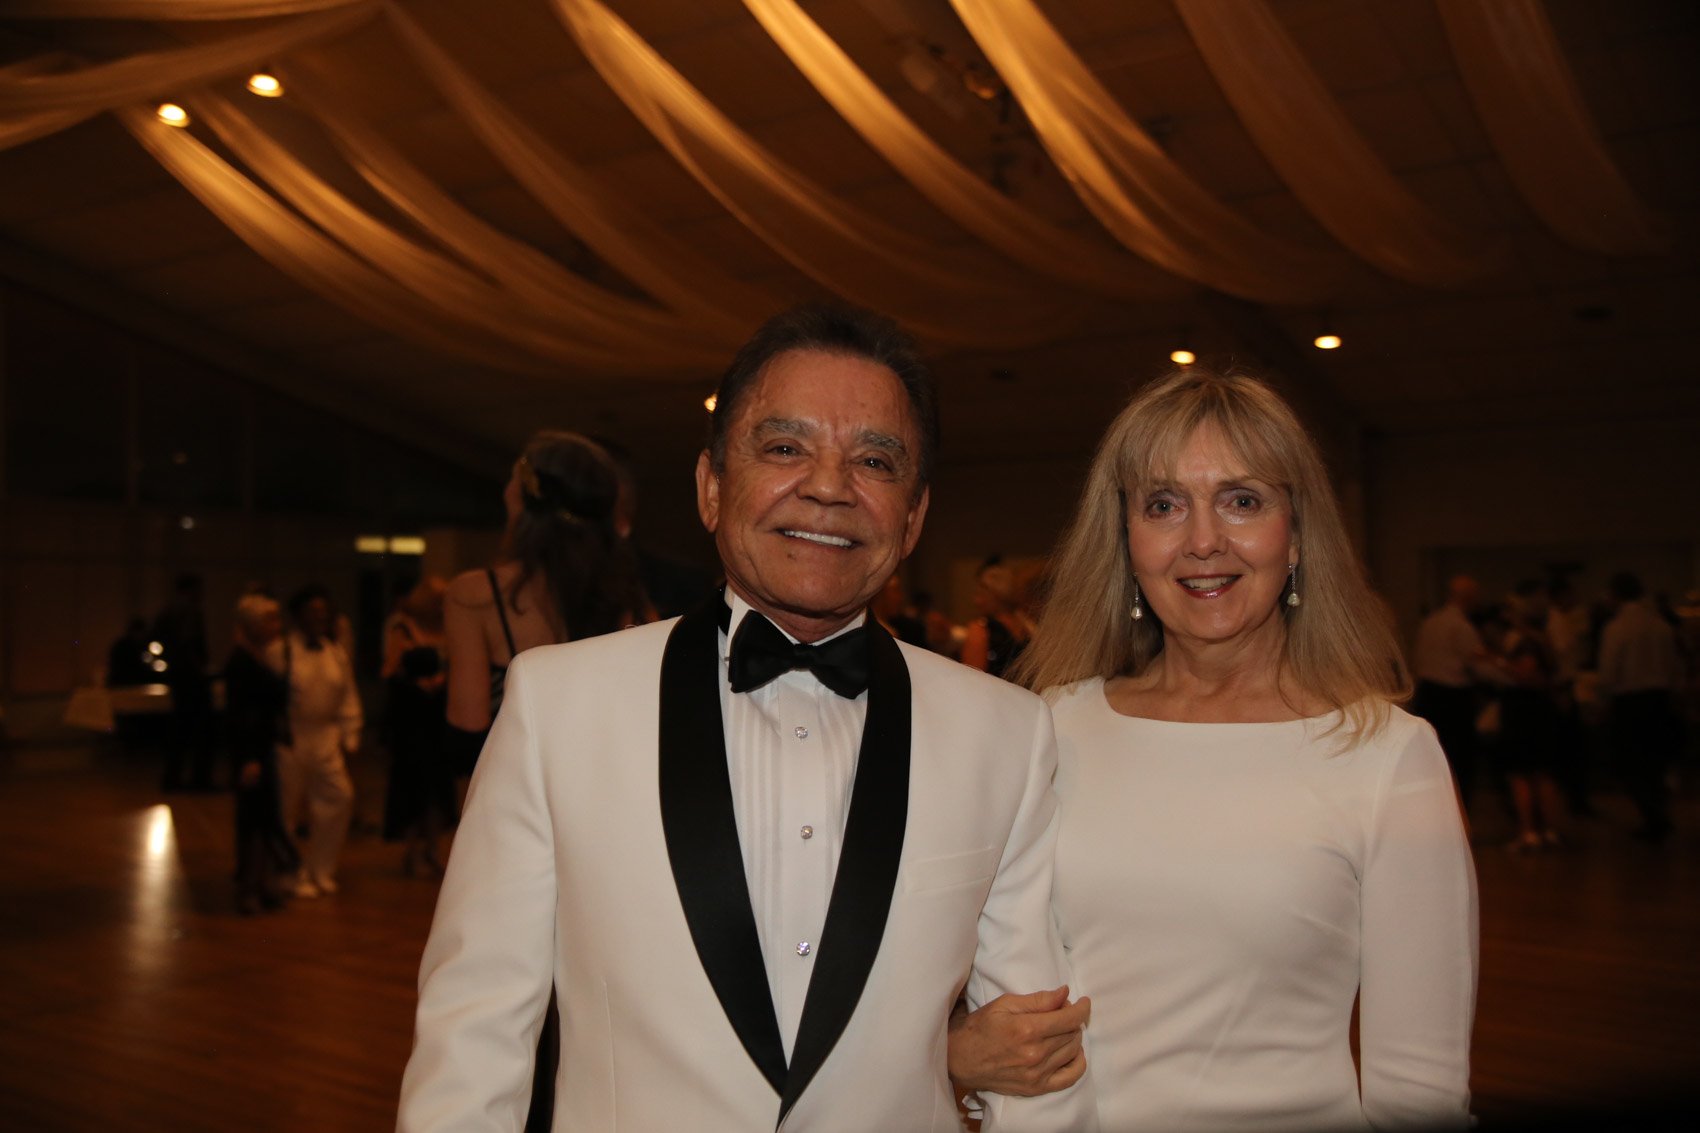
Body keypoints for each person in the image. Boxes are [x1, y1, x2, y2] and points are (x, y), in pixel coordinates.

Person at [399, 305, 1096, 1132]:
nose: (830, 486)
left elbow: (1036, 1046)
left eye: (874, 460)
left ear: (912, 518)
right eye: (785, 448)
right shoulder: (557, 707)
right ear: (711, 487)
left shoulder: (1006, 733)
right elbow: (473, 1038)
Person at [949, 367, 1477, 1131]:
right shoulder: (1052, 727)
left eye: (1242, 500)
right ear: (1126, 541)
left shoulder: (1388, 757)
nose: (1202, 541)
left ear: (1297, 537)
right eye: (1164, 505)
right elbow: (977, 975)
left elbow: (1419, 1089)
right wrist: (959, 1052)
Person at [440, 429, 653, 1132]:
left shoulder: (477, 595)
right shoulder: (633, 602)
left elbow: (469, 731)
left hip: (522, 835)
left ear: (524, 495)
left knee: (504, 1015)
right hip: (615, 834)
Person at [275, 583, 362, 898]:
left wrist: (351, 733)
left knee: (339, 797)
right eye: (312, 612)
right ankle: (291, 871)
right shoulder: (282, 650)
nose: (319, 618)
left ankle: (321, 867)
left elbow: (347, 694)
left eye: (323, 612)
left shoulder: (335, 652)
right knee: (285, 807)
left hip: (326, 735)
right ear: (298, 615)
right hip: (292, 736)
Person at [1598, 571, 1684, 844]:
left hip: (1630, 702)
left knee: (1631, 763)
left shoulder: (1617, 628)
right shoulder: (1660, 625)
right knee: (1656, 761)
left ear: (1615, 595)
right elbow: (1674, 665)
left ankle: (1652, 816)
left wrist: (1603, 698)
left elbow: (1609, 671)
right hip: (1659, 699)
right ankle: (1658, 814)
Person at [223, 593, 297, 915]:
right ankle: (249, 887)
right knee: (253, 820)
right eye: (269, 619)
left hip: (262, 748)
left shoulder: (262, 656)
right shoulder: (241, 662)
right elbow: (242, 714)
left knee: (265, 818)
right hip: (251, 751)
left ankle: (263, 882)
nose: (276, 626)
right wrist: (250, 758)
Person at [381, 576, 456, 877]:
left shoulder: (449, 628)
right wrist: (418, 683)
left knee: (438, 788)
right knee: (413, 787)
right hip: (411, 717)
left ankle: (433, 850)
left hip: (438, 716)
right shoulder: (402, 628)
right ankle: (411, 852)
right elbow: (389, 670)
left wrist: (443, 680)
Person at [1411, 574, 1501, 809]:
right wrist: (1508, 677)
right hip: (1452, 699)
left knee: (1431, 755)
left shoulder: (1431, 622)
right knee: (1459, 759)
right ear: (1469, 597)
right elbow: (1479, 666)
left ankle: (1433, 806)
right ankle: (1457, 811)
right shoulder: (1462, 627)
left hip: (1427, 694)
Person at [1498, 581, 1567, 852]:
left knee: (1521, 774)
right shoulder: (1544, 640)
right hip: (1541, 709)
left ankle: (1528, 832)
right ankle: (1549, 830)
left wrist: (1496, 662)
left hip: (1525, 711)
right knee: (1543, 773)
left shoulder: (1527, 642)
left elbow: (1526, 675)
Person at [154, 573, 215, 791]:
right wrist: (200, 671)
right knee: (201, 730)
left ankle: (172, 778)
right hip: (190, 678)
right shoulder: (188, 610)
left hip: (178, 676)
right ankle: (200, 779)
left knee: (179, 730)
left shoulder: (168, 610)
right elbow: (187, 643)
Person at [962, 559, 1034, 679]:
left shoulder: (980, 630)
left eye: (980, 593)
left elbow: (971, 679)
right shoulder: (1028, 627)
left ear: (995, 595)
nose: (976, 601)